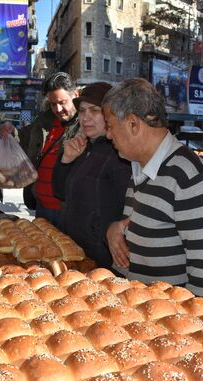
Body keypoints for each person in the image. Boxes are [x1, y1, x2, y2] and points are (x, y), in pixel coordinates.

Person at [104, 78, 203, 301]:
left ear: (133, 123)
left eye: (110, 125)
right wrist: (115, 230)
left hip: (169, 325)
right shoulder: (140, 166)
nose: (108, 135)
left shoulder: (190, 177)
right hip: (136, 313)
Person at [52, 82, 131, 267]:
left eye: (94, 111)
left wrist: (103, 233)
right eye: (82, 111)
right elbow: (59, 192)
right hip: (76, 251)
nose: (85, 117)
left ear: (110, 114)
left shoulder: (120, 154)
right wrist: (66, 160)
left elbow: (128, 209)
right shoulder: (84, 146)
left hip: (103, 260)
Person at [18, 72, 81, 227]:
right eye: (53, 104)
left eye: (62, 102)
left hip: (69, 212)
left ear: (75, 95)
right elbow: (21, 138)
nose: (58, 109)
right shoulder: (43, 122)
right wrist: (9, 132)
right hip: (41, 209)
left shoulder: (86, 126)